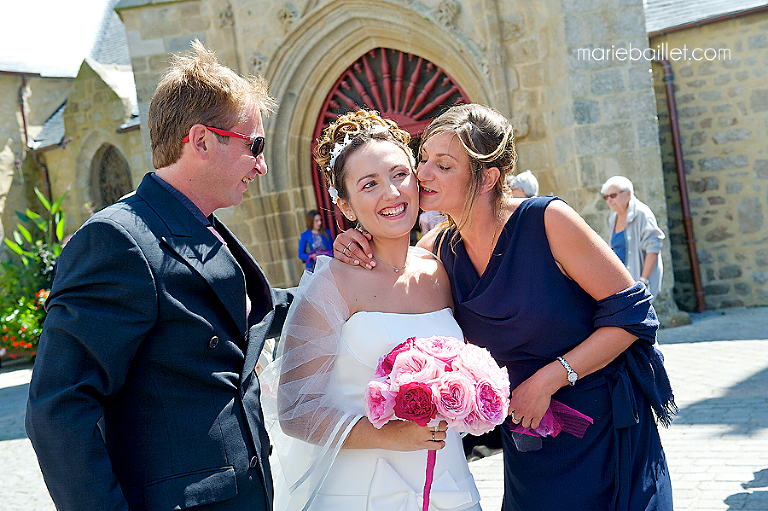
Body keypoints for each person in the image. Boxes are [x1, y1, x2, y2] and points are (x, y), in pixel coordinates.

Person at [334, 103, 674, 511]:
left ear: (487, 177)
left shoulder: (548, 221)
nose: (422, 174)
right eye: (423, 159)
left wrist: (550, 380)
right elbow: (392, 275)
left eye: (443, 165)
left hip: (602, 428)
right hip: (527, 441)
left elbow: (633, 316)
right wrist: (356, 241)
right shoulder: (437, 250)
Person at [25, 40, 293, 511]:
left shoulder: (203, 225)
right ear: (202, 141)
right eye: (255, 145)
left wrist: (339, 275)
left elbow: (244, 322)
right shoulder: (116, 239)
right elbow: (58, 410)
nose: (262, 165)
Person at [260, 110, 482, 511]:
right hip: (359, 494)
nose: (392, 193)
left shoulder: (439, 269)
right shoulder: (331, 284)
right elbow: (294, 410)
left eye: (400, 175)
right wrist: (391, 434)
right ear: (345, 206)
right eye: (370, 184)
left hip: (449, 485)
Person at [601, 176, 665, 300]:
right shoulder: (613, 217)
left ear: (628, 194)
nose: (609, 200)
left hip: (638, 282)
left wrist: (643, 281)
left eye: (613, 195)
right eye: (606, 197)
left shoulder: (642, 213)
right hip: (620, 283)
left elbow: (653, 248)